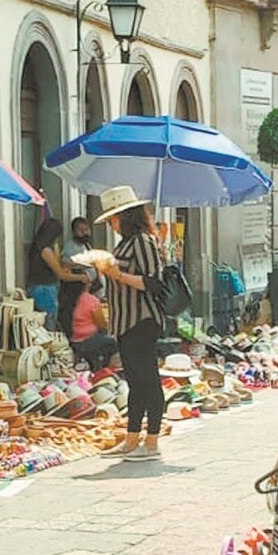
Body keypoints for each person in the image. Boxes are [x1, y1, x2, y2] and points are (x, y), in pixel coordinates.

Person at [88, 187, 167, 462]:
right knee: (134, 382)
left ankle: (152, 441)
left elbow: (154, 282)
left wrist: (117, 275)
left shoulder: (143, 242)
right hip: (124, 322)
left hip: (141, 320)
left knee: (148, 380)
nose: (111, 224)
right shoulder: (123, 244)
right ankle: (132, 439)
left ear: (124, 216)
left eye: (113, 218)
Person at [25, 215, 83, 325]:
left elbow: (56, 265)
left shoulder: (39, 247)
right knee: (49, 321)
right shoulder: (46, 250)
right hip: (45, 290)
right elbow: (61, 275)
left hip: (41, 288)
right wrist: (81, 277)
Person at [67, 280, 117, 369]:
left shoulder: (77, 297)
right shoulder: (91, 300)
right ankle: (103, 368)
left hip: (74, 339)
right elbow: (101, 323)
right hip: (87, 339)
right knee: (114, 343)